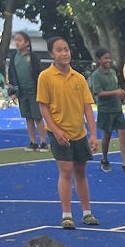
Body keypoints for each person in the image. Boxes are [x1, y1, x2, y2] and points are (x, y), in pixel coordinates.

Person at [37, 35, 99, 231]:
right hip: (59, 132)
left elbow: (87, 107)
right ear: (52, 54)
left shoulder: (78, 78)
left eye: (66, 49)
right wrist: (55, 131)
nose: (64, 53)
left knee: (81, 171)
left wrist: (93, 134)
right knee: (66, 171)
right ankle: (66, 214)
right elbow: (44, 107)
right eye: (59, 50)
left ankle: (87, 212)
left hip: (78, 132)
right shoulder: (45, 77)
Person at [88, 49, 125, 173]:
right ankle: (104, 159)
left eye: (109, 58)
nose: (108, 61)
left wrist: (122, 95)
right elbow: (99, 93)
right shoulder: (96, 75)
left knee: (122, 134)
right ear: (99, 60)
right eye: (105, 58)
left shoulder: (112, 72)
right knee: (107, 136)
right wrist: (115, 92)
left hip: (117, 108)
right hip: (106, 110)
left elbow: (116, 89)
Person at [7, 32, 46, 149]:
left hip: (34, 91)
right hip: (22, 92)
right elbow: (12, 75)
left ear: (27, 43)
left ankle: (43, 142)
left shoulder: (32, 57)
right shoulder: (14, 57)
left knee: (38, 117)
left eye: (20, 40)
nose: (17, 42)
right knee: (28, 117)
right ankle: (33, 142)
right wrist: (13, 92)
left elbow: (39, 73)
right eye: (16, 40)